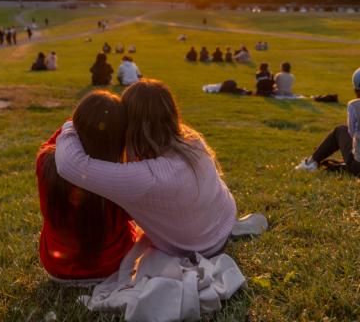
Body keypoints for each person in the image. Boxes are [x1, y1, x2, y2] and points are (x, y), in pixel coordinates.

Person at [54, 80, 238, 257]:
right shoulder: (192, 140)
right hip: (224, 219)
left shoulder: (145, 178)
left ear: (130, 125)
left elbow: (69, 164)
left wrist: (71, 125)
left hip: (200, 247)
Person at [36, 91, 136, 282]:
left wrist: (74, 123)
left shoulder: (45, 162)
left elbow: (60, 136)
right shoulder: (123, 178)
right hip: (113, 266)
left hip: (57, 267)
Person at [296, 68, 360, 175]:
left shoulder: (354, 105)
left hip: (358, 166)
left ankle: (310, 163)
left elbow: (352, 132)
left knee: (340, 130)